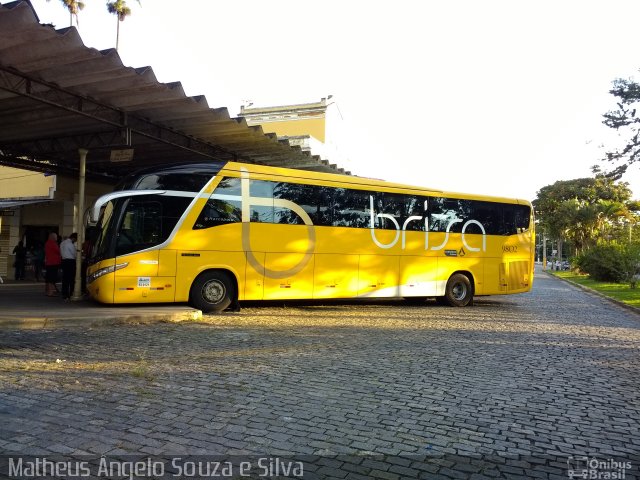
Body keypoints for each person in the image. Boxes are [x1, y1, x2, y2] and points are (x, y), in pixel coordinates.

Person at [60, 232, 78, 301]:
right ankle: (71, 293)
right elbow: (74, 254)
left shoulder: (62, 243)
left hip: (64, 261)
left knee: (65, 278)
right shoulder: (70, 244)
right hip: (70, 262)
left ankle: (64, 293)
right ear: (74, 238)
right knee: (71, 278)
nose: (75, 241)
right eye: (75, 240)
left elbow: (61, 252)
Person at [44, 232, 61, 296]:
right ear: (52, 237)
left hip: (49, 262)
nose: (56, 238)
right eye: (56, 237)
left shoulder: (47, 243)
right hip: (53, 263)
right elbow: (59, 251)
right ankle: (51, 292)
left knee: (48, 277)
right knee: (52, 278)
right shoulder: (53, 243)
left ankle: (48, 291)